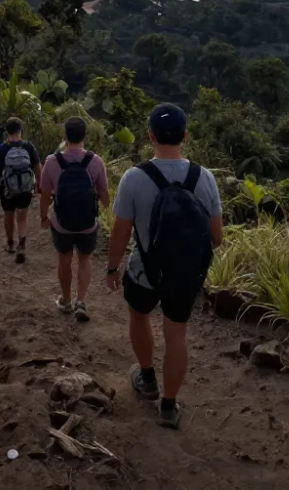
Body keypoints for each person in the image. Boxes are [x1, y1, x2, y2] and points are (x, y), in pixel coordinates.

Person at [106, 103, 223, 430]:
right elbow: (217, 237)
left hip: (144, 271)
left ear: (150, 135)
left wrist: (113, 269)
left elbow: (121, 231)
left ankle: (146, 378)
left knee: (139, 316)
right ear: (185, 135)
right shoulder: (205, 178)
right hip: (184, 276)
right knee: (177, 337)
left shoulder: (134, 177)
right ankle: (168, 407)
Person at [40, 116, 109, 322]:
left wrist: (44, 217)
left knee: (64, 258)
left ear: (64, 135)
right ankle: (82, 301)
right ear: (85, 136)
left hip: (62, 223)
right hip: (88, 224)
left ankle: (66, 300)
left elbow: (44, 194)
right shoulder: (96, 161)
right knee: (85, 258)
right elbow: (105, 199)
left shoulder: (52, 162)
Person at [0, 117, 41, 264]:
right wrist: (39, 186)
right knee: (22, 217)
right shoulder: (29, 147)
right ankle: (22, 246)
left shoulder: (1, 149)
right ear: (20, 130)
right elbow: (37, 167)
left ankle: (11, 244)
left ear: (7, 131)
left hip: (7, 189)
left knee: (9, 215)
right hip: (25, 189)